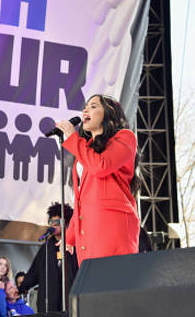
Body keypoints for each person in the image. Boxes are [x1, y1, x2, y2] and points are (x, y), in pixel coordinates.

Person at [54, 94, 141, 263]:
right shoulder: (85, 150)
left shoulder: (125, 137)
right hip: (88, 231)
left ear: (110, 115)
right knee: (92, 286)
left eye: (94, 106)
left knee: (111, 283)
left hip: (112, 227)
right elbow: (81, 200)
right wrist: (71, 235)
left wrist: (73, 138)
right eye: (86, 106)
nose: (86, 109)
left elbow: (101, 167)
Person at [18, 202, 78, 313]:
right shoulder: (46, 247)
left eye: (57, 221)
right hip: (50, 303)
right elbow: (34, 272)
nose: (53, 224)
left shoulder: (75, 245)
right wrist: (21, 288)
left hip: (70, 301)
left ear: (67, 223)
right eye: (51, 221)